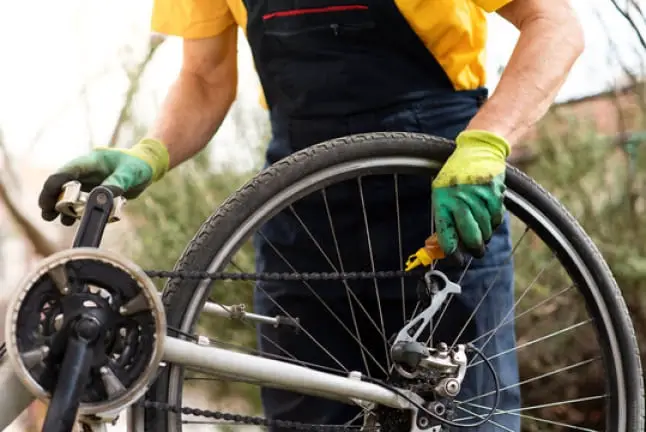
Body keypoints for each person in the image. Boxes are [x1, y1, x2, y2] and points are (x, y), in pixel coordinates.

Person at [37, 0, 584, 430]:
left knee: (463, 419)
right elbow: (204, 79)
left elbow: (554, 23)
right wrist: (148, 155)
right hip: (300, 212)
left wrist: (487, 141)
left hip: (439, 200)